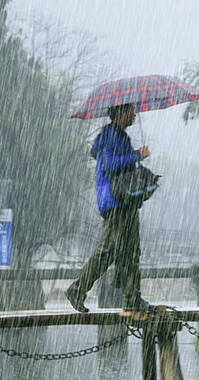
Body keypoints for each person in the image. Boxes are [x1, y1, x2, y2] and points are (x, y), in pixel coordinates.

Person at [65, 103, 152, 314]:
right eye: (131, 110)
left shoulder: (121, 136)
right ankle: (77, 289)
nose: (135, 114)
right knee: (109, 249)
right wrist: (136, 156)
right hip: (115, 202)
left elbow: (122, 166)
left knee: (131, 251)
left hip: (127, 202)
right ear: (121, 113)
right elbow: (110, 165)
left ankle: (133, 299)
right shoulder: (110, 135)